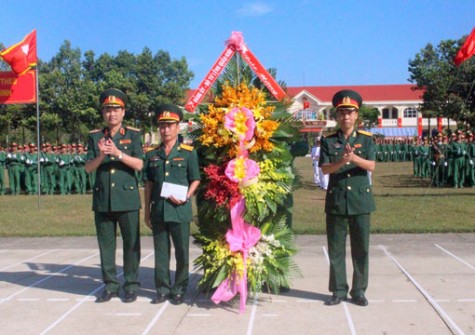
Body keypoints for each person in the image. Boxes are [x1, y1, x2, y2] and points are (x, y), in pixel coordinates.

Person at [85, 88, 143, 303]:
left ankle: (131, 284)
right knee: (106, 246)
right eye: (108, 110)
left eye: (116, 109)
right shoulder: (95, 137)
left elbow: (140, 164)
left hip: (127, 199)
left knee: (131, 245)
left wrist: (119, 154)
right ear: (103, 113)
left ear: (123, 112)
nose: (112, 114)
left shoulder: (133, 135)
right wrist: (101, 155)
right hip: (103, 200)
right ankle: (110, 285)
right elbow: (88, 168)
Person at [319, 90, 376, 307]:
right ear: (336, 116)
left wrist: (354, 158)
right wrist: (342, 162)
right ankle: (338, 290)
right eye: (342, 113)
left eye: (350, 113)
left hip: (361, 201)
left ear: (356, 115)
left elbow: (371, 166)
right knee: (336, 249)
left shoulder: (366, 139)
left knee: (361, 248)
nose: (346, 117)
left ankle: (359, 290)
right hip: (336, 200)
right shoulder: (328, 141)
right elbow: (325, 169)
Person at [143, 104, 200, 305]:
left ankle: (179, 289)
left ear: (178, 127)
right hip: (159, 210)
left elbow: (195, 179)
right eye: (162, 125)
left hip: (180, 210)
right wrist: (146, 213)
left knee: (181, 252)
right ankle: (162, 289)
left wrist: (187, 195)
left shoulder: (187, 152)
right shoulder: (152, 154)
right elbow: (149, 184)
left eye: (170, 125)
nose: (165, 130)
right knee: (161, 253)